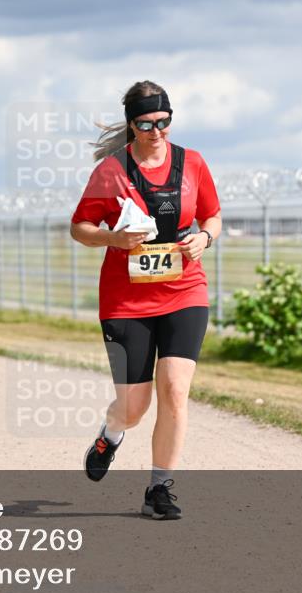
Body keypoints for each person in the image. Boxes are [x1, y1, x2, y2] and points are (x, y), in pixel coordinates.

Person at [70, 80, 221, 520]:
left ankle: (160, 489)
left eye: (164, 121)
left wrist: (205, 238)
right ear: (132, 125)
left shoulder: (192, 163)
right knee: (134, 407)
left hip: (184, 290)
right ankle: (111, 434)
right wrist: (113, 237)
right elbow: (80, 227)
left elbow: (212, 214)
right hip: (125, 301)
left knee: (175, 391)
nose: (157, 131)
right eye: (146, 123)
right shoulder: (112, 171)